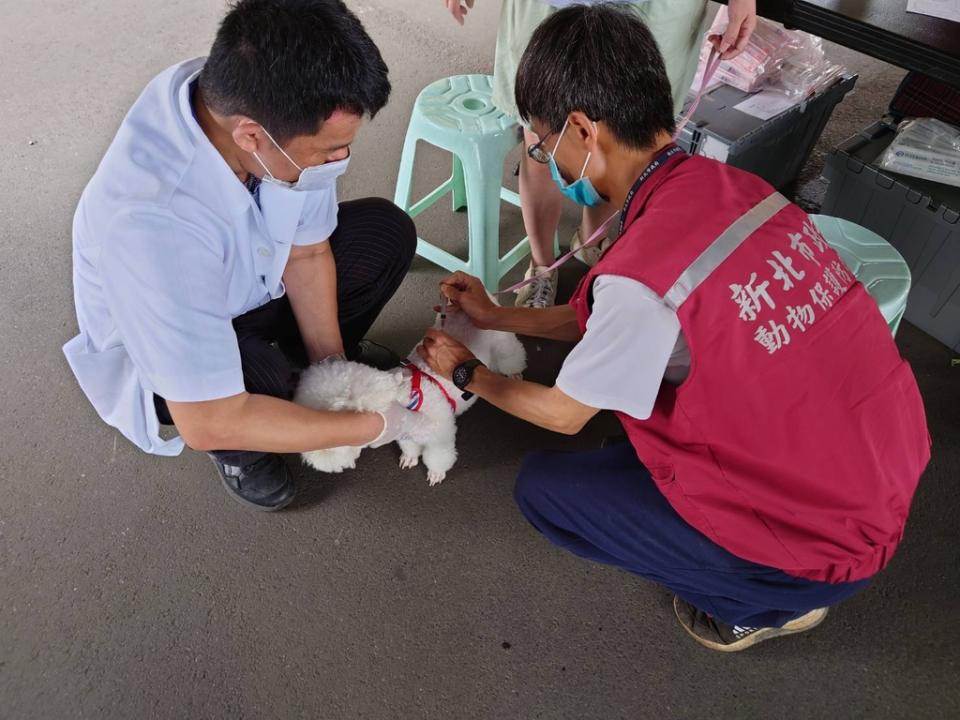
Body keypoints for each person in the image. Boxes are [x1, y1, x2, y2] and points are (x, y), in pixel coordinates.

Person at [419, 5, 930, 651]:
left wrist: (466, 371)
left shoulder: (641, 274)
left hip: (821, 543)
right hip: (877, 470)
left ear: (582, 129)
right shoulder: (733, 188)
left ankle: (757, 601)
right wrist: (497, 316)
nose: (542, 159)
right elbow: (623, 314)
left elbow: (562, 413)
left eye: (541, 144)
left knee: (547, 491)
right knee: (642, 431)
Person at [63, 0, 435, 512]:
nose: (340, 160)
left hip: (251, 284)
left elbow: (306, 255)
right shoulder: (151, 226)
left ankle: (303, 376)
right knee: (257, 378)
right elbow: (207, 418)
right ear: (252, 137)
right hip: (176, 355)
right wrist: (374, 424)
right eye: (327, 151)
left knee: (385, 234)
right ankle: (244, 449)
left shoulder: (252, 102)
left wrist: (333, 373)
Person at [444, 0, 757, 308]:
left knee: (623, 143)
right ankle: (543, 265)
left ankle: (591, 245)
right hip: (549, 5)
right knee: (543, 142)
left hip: (656, 8)